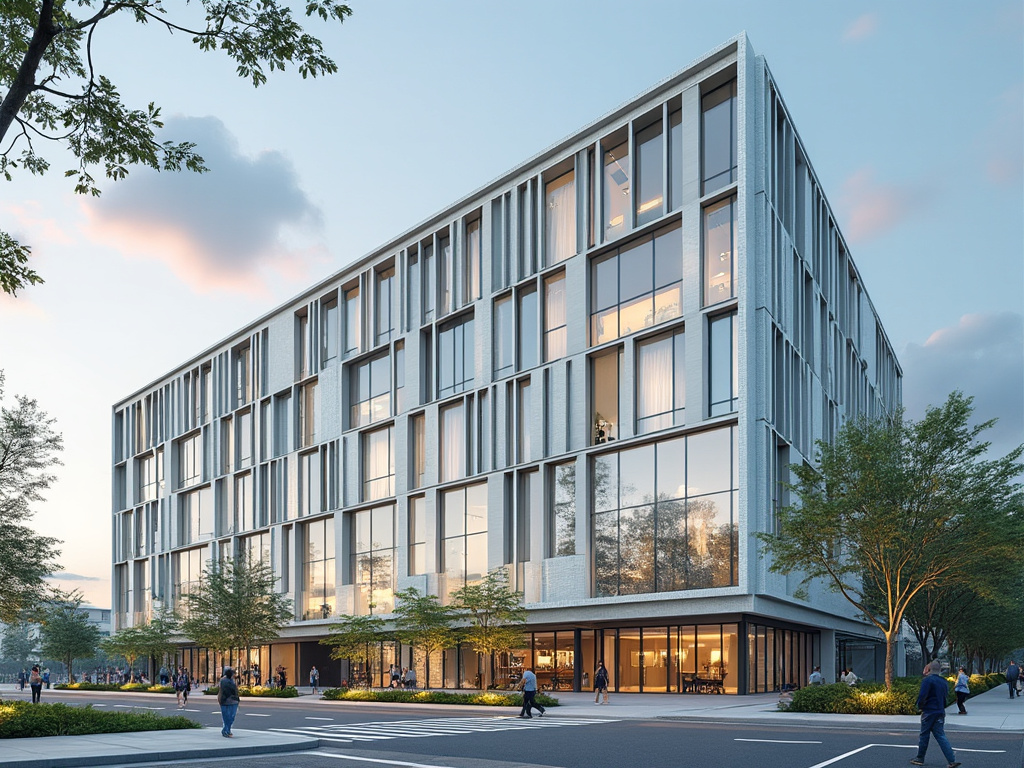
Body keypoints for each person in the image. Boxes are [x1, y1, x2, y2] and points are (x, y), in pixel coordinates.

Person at [911, 659, 960, 768]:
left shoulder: (927, 681)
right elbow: (945, 697)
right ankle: (951, 760)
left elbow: (923, 696)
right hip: (940, 711)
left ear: (928, 669)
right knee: (940, 735)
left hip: (929, 711)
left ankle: (920, 758)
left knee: (924, 735)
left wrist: (920, 706)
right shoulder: (943, 681)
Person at [217, 666, 241, 738]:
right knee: (230, 717)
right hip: (231, 701)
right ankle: (226, 730)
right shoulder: (227, 681)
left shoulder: (224, 681)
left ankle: (226, 730)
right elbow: (233, 691)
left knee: (226, 717)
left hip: (225, 701)